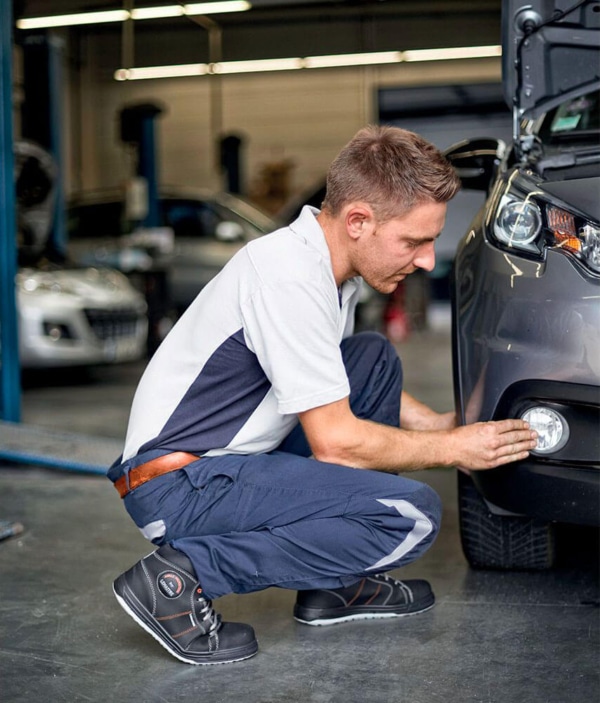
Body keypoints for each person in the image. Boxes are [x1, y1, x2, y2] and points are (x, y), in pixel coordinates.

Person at [107, 125, 538, 666]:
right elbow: (335, 441)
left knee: (371, 360)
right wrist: (456, 450)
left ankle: (334, 585)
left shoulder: (330, 270)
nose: (429, 260)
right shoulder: (287, 278)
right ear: (358, 221)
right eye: (415, 241)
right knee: (410, 514)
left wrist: (441, 426)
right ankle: (180, 579)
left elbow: (324, 380)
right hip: (180, 485)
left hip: (220, 465)